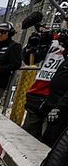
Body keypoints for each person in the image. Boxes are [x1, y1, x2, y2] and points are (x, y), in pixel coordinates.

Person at [22, 11, 68, 141]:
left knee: (49, 139)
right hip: (40, 90)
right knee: (28, 136)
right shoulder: (53, 37)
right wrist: (31, 46)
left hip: (60, 98)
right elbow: (30, 60)